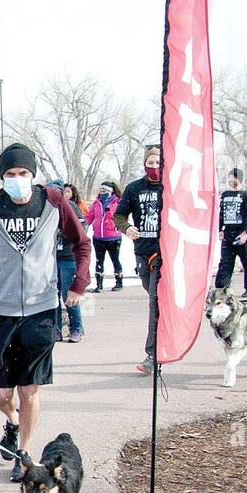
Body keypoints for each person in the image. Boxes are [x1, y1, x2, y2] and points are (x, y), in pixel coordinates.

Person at [0, 143, 90, 481]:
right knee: (4, 393)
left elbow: (82, 243)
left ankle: (24, 453)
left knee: (29, 390)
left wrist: (78, 283)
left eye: (23, 174)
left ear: (33, 175)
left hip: (41, 309)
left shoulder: (53, 203)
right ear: (2, 177)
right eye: (10, 174)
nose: (17, 180)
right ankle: (11, 422)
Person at [114, 146, 164, 375]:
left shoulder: (171, 186)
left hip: (165, 253)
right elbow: (119, 215)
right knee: (154, 299)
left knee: (156, 303)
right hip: (143, 252)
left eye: (158, 162)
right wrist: (127, 228)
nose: (154, 167)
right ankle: (162, 342)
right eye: (150, 163)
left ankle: (153, 354)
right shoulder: (135, 188)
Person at [214, 168, 247, 296]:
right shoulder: (226, 195)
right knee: (225, 262)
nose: (231, 180)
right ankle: (222, 286)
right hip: (228, 233)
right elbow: (221, 213)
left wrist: (245, 232)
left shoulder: (246, 196)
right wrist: (220, 229)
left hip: (241, 234)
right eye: (230, 177)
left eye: (234, 177)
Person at [56, 183, 86, 342]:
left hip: (68, 257)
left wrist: (64, 231)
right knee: (51, 296)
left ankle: (76, 328)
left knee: (68, 294)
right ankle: (56, 329)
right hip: (51, 257)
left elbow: (82, 229)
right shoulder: (45, 208)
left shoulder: (71, 207)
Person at [86, 181, 123, 292]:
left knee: (115, 259)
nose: (102, 193)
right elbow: (89, 217)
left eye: (104, 191)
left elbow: (122, 217)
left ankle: (119, 282)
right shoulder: (96, 203)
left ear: (110, 191)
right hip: (98, 237)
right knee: (99, 261)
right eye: (101, 190)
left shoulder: (118, 202)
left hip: (113, 237)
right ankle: (99, 285)